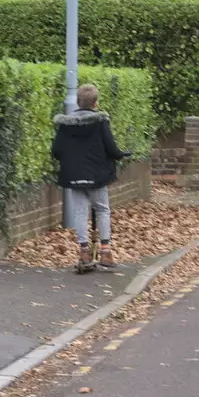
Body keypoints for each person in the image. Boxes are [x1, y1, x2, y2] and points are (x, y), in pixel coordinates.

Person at [51, 83, 130, 273]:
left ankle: (84, 252)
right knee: (102, 210)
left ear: (78, 102)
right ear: (95, 103)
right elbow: (111, 148)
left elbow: (56, 151)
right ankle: (105, 252)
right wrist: (122, 154)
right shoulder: (100, 122)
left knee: (80, 212)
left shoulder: (65, 124)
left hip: (74, 175)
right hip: (96, 175)